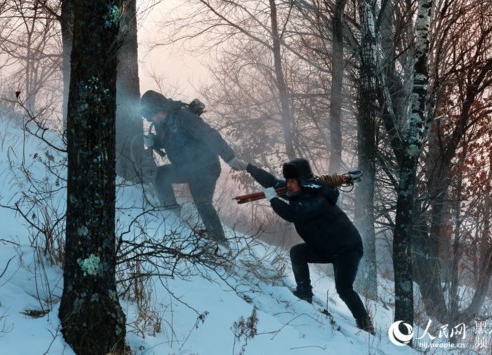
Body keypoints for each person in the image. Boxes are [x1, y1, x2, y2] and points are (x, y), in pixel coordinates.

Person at [245, 158, 374, 334]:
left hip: (347, 250)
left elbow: (291, 214)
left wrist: (273, 199)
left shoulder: (315, 200)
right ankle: (304, 292)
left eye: (292, 181)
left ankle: (364, 323)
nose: (288, 185)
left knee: (344, 289)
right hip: (326, 247)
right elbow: (273, 183)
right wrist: (249, 167)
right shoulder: (300, 192)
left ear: (302, 182)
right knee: (298, 253)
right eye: (288, 181)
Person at [139, 90, 248, 244]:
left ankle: (220, 242)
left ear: (161, 108)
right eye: (151, 117)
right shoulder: (160, 122)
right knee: (161, 175)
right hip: (185, 168)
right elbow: (166, 141)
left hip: (205, 168)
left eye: (155, 114)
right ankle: (173, 216)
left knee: (202, 202)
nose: (154, 119)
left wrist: (229, 157)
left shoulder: (184, 117)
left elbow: (210, 135)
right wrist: (153, 141)